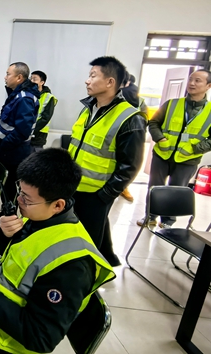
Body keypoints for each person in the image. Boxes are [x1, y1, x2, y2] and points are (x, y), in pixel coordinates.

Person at [0, 148, 116, 354]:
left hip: (0, 341)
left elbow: (40, 338)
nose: (19, 201)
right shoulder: (40, 218)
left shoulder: (72, 266)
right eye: (20, 192)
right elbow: (17, 258)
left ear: (58, 205)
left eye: (27, 199)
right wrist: (3, 233)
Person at [68, 56, 146, 267]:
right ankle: (106, 259)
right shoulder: (88, 108)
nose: (87, 80)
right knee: (77, 233)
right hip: (74, 185)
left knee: (87, 241)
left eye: (93, 76)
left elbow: (130, 165)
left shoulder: (130, 118)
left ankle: (87, 276)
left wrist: (105, 195)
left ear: (110, 82)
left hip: (97, 192)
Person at [139, 69, 211, 228]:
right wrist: (160, 138)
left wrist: (197, 148)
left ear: (208, 86)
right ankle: (150, 216)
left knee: (176, 190)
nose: (191, 83)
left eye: (197, 80)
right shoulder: (171, 104)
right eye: (190, 79)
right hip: (162, 154)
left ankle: (168, 221)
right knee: (154, 187)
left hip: (188, 158)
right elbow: (153, 123)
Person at [0, 62, 40, 201]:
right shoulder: (17, 94)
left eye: (8, 74)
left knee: (10, 189)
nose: (5, 77)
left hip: (13, 151)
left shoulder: (24, 98)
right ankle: (5, 211)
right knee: (4, 187)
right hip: (7, 150)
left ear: (19, 77)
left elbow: (22, 131)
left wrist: (5, 144)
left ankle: (9, 212)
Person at [119, 73, 148, 203]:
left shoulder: (139, 100)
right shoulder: (113, 96)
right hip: (115, 134)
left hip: (130, 135)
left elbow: (145, 118)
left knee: (127, 164)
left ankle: (123, 187)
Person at [29, 70, 57, 152]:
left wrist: (31, 129)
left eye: (34, 79)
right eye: (30, 79)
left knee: (34, 157)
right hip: (25, 133)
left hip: (38, 135)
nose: (31, 81)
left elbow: (45, 118)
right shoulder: (28, 94)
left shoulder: (49, 97)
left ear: (42, 82)